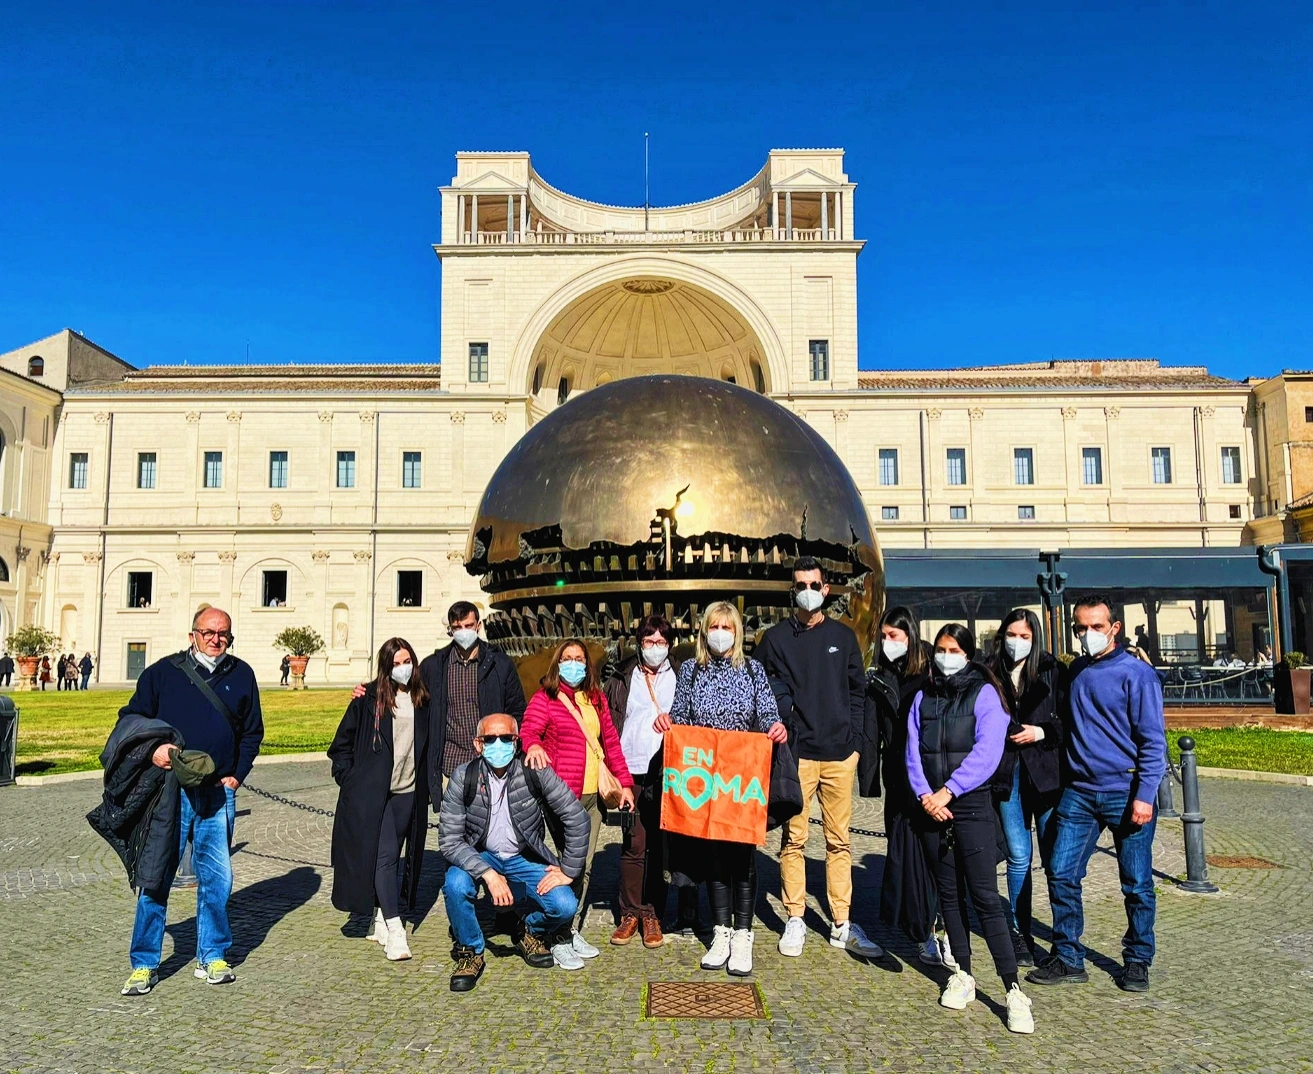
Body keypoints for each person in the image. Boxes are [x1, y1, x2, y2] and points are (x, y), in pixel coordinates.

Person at [118, 607, 264, 997]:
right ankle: (144, 963)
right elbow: (130, 719)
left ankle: (212, 954)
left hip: (218, 792)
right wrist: (153, 752)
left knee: (218, 880)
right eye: (209, 633)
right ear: (192, 634)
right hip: (169, 792)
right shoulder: (163, 674)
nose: (216, 640)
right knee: (156, 877)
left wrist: (238, 773)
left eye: (224, 634)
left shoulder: (242, 674)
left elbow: (253, 732)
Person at [1027, 593, 1167, 995]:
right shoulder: (1078, 672)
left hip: (1126, 792)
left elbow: (1154, 743)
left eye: (1096, 627)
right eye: (1080, 628)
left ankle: (1138, 959)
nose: (1087, 634)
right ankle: (1069, 957)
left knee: (1137, 883)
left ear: (1114, 629)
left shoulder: (1137, 676)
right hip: (1080, 793)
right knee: (1061, 871)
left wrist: (1144, 795)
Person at [908, 623, 1035, 1034]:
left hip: (971, 806)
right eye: (940, 649)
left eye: (953, 649)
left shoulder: (985, 694)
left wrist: (949, 791)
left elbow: (988, 750)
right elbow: (912, 750)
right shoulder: (923, 696)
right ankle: (962, 972)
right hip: (931, 808)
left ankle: (1013, 989)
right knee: (948, 897)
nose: (945, 656)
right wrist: (927, 794)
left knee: (983, 896)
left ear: (967, 653)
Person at [757, 556, 883, 960]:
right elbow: (759, 687)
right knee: (793, 840)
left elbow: (858, 692)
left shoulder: (844, 638)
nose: (808, 591)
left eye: (814, 584)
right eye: (800, 585)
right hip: (797, 755)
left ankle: (842, 921)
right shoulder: (775, 639)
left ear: (826, 590)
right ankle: (795, 916)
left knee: (839, 841)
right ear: (792, 591)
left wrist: (857, 746)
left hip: (839, 755)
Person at [655, 601, 788, 977]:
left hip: (741, 775)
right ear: (704, 631)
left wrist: (775, 727)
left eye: (727, 627)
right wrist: (668, 721)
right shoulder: (690, 672)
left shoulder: (752, 670)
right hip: (706, 778)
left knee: (742, 856)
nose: (720, 634)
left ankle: (744, 934)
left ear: (737, 632)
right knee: (713, 856)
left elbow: (766, 712)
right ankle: (721, 931)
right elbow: (681, 715)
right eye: (714, 626)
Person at [439, 713, 591, 993]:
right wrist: (488, 874)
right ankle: (470, 951)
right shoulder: (464, 777)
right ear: (478, 744)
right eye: (490, 739)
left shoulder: (535, 770)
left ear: (517, 741)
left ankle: (528, 930)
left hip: (524, 856)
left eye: (506, 738)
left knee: (565, 905)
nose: (499, 744)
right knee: (455, 883)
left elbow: (577, 818)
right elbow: (449, 841)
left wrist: (569, 870)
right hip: (481, 855)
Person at [522, 638, 635, 969]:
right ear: (558, 662)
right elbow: (528, 731)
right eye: (568, 658)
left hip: (594, 797)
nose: (574, 664)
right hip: (562, 795)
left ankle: (566, 931)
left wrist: (624, 784)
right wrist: (532, 747)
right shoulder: (546, 697)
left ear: (587, 665)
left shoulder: (595, 698)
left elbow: (610, 743)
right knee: (569, 865)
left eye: (579, 659)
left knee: (583, 866)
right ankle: (554, 935)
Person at [328, 637, 432, 962]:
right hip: (374, 793)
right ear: (386, 667)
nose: (403, 668)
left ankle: (380, 918)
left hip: (408, 789)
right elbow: (340, 745)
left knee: (392, 853)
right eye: (396, 663)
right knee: (385, 856)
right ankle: (395, 927)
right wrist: (349, 779)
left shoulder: (422, 699)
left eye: (407, 661)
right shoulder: (368, 699)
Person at [351, 601, 526, 794]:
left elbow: (517, 710)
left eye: (468, 625)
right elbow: (404, 681)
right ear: (450, 630)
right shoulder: (434, 666)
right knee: (452, 823)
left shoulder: (500, 664)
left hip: (492, 761)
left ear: (478, 625)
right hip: (450, 767)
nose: (464, 631)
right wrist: (368, 690)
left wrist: (509, 749)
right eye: (457, 627)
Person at [986, 609, 1065, 967]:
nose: (1016, 642)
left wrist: (1042, 732)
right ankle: (1019, 933)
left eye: (1024, 636)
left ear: (1035, 639)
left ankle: (1064, 939)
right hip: (1008, 772)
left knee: (1053, 858)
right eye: (1011, 634)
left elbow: (1069, 721)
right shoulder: (988, 671)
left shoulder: (1052, 669)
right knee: (1019, 854)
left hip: (1045, 772)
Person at [867, 605, 942, 965]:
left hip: (930, 776)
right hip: (897, 777)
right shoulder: (882, 676)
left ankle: (935, 927)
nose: (887, 642)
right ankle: (921, 930)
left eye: (893, 636)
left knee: (932, 856)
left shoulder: (931, 672)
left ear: (909, 636)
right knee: (904, 855)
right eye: (883, 637)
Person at [603, 615, 680, 949]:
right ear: (639, 643)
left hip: (666, 769)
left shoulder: (681, 674)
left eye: (661, 641)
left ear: (670, 645)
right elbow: (610, 721)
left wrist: (676, 720)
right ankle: (629, 913)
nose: (654, 648)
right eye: (649, 641)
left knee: (659, 845)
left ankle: (652, 913)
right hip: (629, 769)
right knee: (633, 843)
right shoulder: (622, 676)